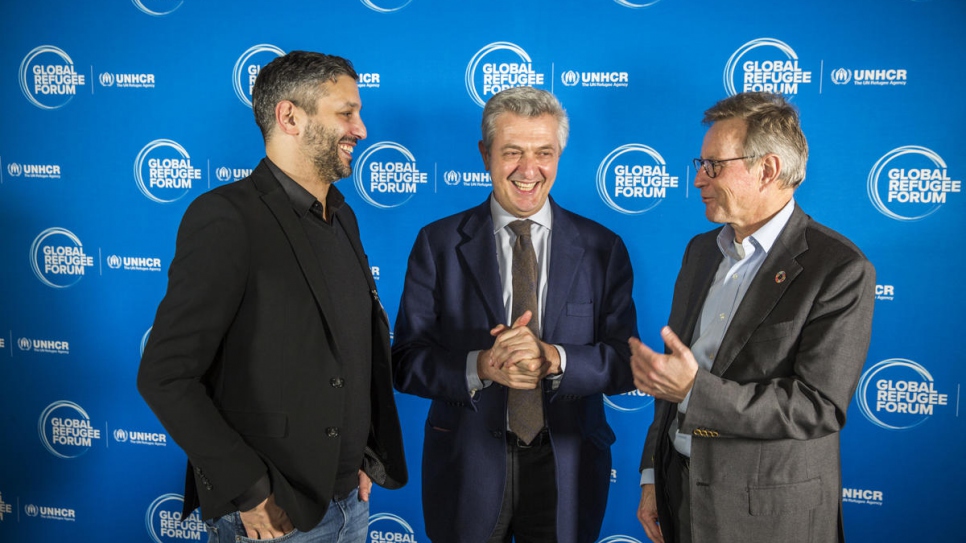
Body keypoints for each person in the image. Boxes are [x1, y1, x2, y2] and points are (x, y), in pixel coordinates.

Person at [137, 51, 407, 542]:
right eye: (346, 113)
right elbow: (165, 375)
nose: (361, 129)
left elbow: (343, 350)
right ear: (289, 117)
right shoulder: (226, 219)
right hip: (276, 517)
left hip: (351, 503)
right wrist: (250, 492)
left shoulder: (342, 214)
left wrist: (365, 455)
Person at [391, 86, 638, 543]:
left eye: (544, 152)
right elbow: (405, 362)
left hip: (568, 464)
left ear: (560, 153)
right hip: (466, 463)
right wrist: (479, 366)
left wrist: (556, 360)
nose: (529, 170)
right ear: (485, 154)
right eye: (512, 153)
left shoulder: (603, 248)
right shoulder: (437, 244)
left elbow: (625, 364)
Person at [632, 92, 875, 543]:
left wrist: (693, 389)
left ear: (767, 170)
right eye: (699, 164)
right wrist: (651, 476)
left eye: (714, 166)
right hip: (679, 492)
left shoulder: (839, 268)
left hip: (768, 515)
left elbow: (816, 406)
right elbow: (675, 378)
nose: (698, 180)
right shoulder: (700, 252)